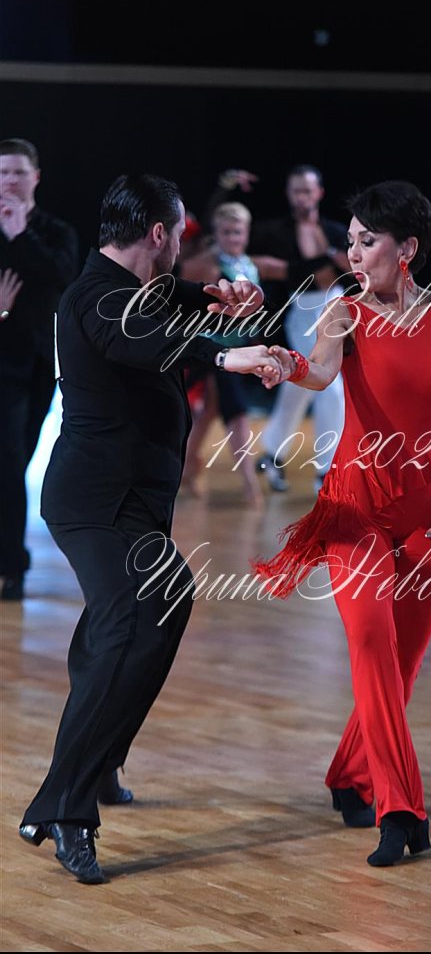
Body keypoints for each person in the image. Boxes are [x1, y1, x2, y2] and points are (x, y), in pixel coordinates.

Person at [18, 173, 280, 885]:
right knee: (135, 615)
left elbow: (188, 303)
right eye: (182, 231)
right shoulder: (94, 298)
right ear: (159, 234)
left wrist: (229, 300)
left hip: (133, 500)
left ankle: (100, 760)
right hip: (95, 503)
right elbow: (148, 339)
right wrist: (223, 353)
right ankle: (65, 808)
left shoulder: (145, 289)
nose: (185, 245)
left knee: (138, 617)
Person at [253, 180, 431, 867]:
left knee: (400, 669)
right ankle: (400, 808)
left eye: (367, 241)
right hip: (355, 509)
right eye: (350, 241)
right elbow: (320, 374)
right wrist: (285, 364)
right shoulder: (343, 311)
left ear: (406, 247)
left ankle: (348, 774)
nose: (352, 253)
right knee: (370, 645)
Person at [0, 138, 79, 601]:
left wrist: (18, 236)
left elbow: (61, 275)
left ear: (36, 177)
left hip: (40, 363)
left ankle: (11, 556)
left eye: (18, 172)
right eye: (3, 172)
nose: (10, 180)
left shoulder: (54, 230)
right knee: (8, 461)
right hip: (2, 364)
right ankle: (11, 565)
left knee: (17, 460)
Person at [249, 164, 350, 494]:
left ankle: (276, 454)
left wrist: (335, 262)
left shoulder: (335, 231)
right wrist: (324, 263)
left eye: (307, 190)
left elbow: (353, 268)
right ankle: (323, 470)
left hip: (337, 306)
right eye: (296, 190)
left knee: (304, 386)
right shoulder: (276, 232)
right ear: (288, 194)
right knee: (321, 385)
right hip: (303, 311)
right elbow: (263, 267)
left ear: (319, 193)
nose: (302, 197)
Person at [179, 202, 264, 505]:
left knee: (210, 411)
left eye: (237, 231)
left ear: (247, 232)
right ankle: (250, 483)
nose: (232, 237)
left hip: (234, 348)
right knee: (235, 412)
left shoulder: (248, 264)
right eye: (226, 232)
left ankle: (185, 470)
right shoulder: (207, 264)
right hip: (209, 349)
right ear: (216, 233)